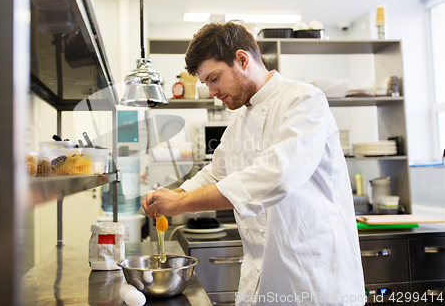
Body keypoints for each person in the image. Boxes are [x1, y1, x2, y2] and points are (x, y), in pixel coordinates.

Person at [142, 21, 365, 306]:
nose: (212, 91)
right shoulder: (239, 117)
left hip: (313, 279)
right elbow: (218, 171)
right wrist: (175, 194)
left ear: (242, 59)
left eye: (214, 78)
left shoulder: (304, 100)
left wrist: (181, 204)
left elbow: (277, 175)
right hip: (262, 278)